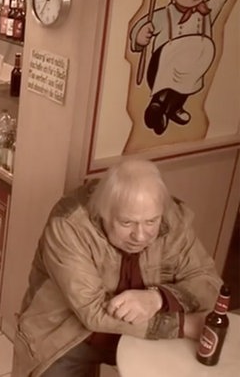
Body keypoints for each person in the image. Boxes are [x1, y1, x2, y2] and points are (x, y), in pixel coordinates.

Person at [12, 158, 223, 377]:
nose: (140, 236)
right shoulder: (69, 225)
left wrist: (157, 298)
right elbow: (92, 312)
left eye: (151, 222)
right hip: (67, 338)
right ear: (102, 213)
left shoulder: (173, 218)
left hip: (143, 335)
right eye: (126, 223)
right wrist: (182, 325)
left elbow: (208, 282)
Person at [129, 0, 238, 135]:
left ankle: (169, 110)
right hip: (162, 69)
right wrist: (140, 37)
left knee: (189, 75)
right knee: (181, 62)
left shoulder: (206, 12)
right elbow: (141, 28)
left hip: (191, 70)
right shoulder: (165, 14)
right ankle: (159, 102)